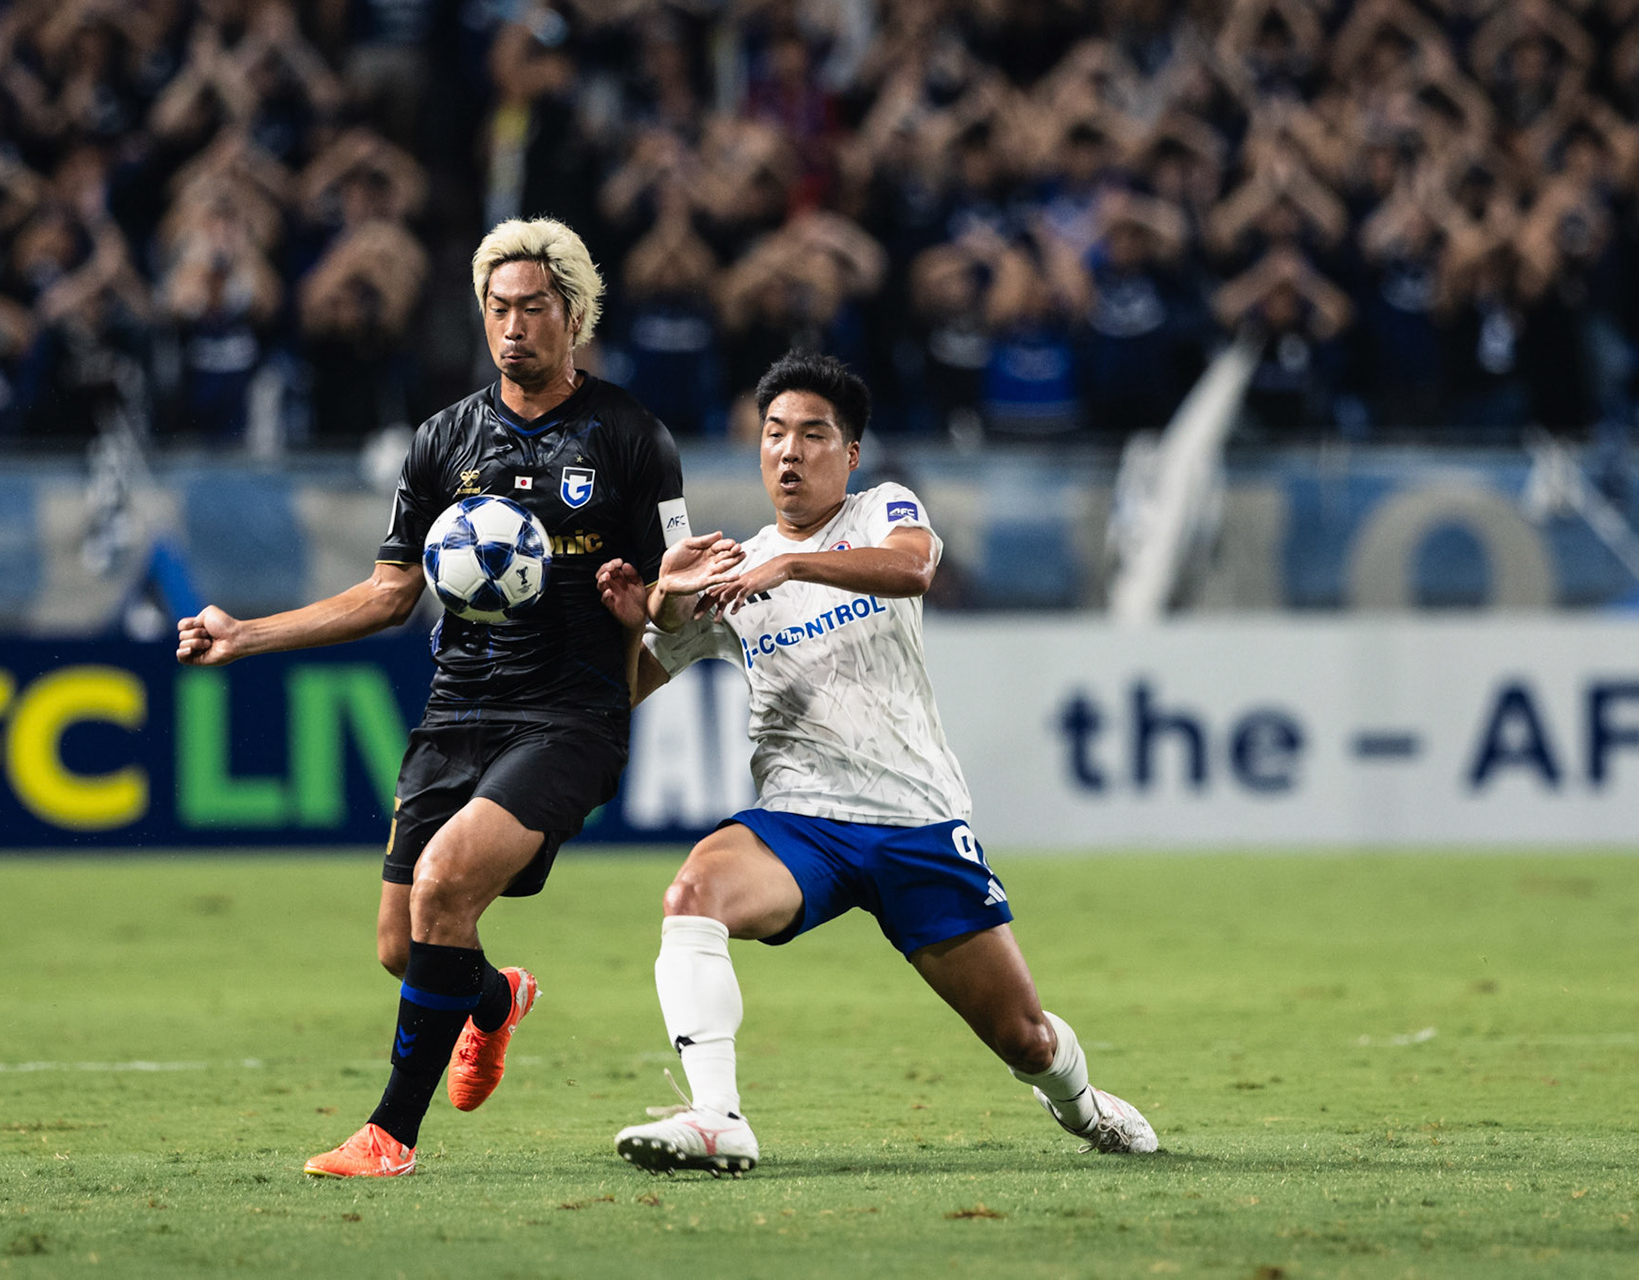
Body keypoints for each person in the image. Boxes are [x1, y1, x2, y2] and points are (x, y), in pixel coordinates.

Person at [174, 218, 692, 1178]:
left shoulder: (630, 438)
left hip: (569, 715)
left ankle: (390, 1135)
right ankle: (495, 1000)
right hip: (458, 709)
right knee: (402, 944)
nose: (513, 327)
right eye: (497, 309)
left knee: (446, 883)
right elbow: (388, 593)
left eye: (533, 308)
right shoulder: (444, 439)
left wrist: (647, 605)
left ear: (574, 315)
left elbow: (678, 590)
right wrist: (246, 634)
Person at [594, 352, 1156, 1175]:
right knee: (693, 897)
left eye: (813, 434)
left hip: (914, 819)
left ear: (850, 453)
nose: (789, 451)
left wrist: (790, 564)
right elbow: (621, 697)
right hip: (802, 822)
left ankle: (1083, 1105)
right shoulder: (728, 572)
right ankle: (717, 1117)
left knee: (1025, 1039)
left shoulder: (879, 510)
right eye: (774, 433)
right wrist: (638, 617)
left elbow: (915, 568)